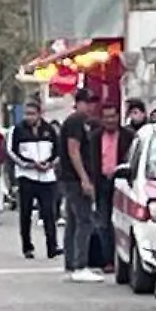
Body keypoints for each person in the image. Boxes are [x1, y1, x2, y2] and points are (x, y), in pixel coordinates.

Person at [59, 89, 106, 283]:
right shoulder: (76, 122)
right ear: (78, 103)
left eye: (93, 102)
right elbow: (74, 151)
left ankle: (72, 263)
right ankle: (80, 264)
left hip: (71, 178)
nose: (91, 106)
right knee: (84, 220)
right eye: (87, 102)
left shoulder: (79, 122)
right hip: (75, 179)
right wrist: (84, 179)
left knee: (73, 221)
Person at [8, 100, 61, 259]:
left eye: (32, 114)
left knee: (49, 213)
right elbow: (11, 152)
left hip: (47, 177)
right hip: (26, 176)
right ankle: (27, 247)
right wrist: (29, 165)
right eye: (27, 114)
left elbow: (58, 151)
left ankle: (52, 246)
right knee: (25, 213)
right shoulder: (17, 130)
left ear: (39, 114)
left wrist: (50, 164)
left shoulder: (50, 130)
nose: (29, 117)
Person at [93, 104, 133, 270]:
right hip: (101, 184)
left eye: (113, 116)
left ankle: (123, 259)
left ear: (119, 117)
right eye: (106, 117)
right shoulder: (94, 137)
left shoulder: (129, 136)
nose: (110, 120)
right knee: (103, 223)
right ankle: (107, 259)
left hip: (122, 183)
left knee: (122, 223)